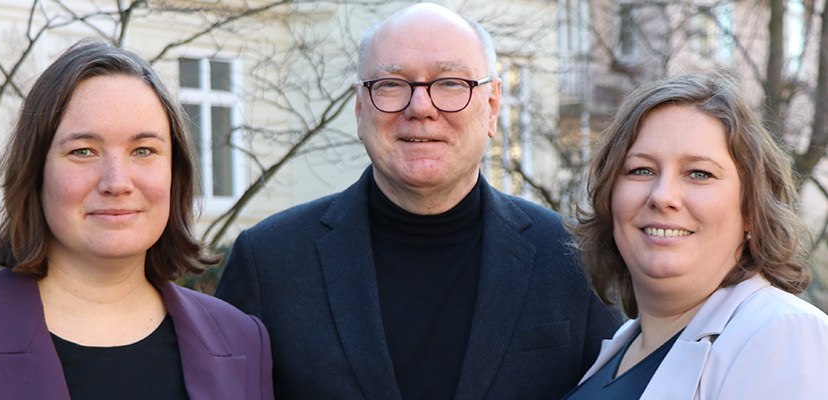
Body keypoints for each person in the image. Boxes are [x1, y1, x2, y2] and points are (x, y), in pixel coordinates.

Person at [214, 3, 622, 399]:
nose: (420, 107)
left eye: (451, 84)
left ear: (493, 106)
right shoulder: (269, 262)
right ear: (360, 108)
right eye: (391, 85)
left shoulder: (572, 259)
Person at [0, 39, 273, 399]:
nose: (116, 182)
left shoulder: (242, 342)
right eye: (83, 151)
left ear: (175, 172)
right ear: (35, 171)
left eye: (144, 150)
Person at [563, 72, 828, 399]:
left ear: (750, 209)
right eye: (641, 170)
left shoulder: (784, 335)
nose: (662, 196)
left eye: (699, 173)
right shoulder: (624, 344)